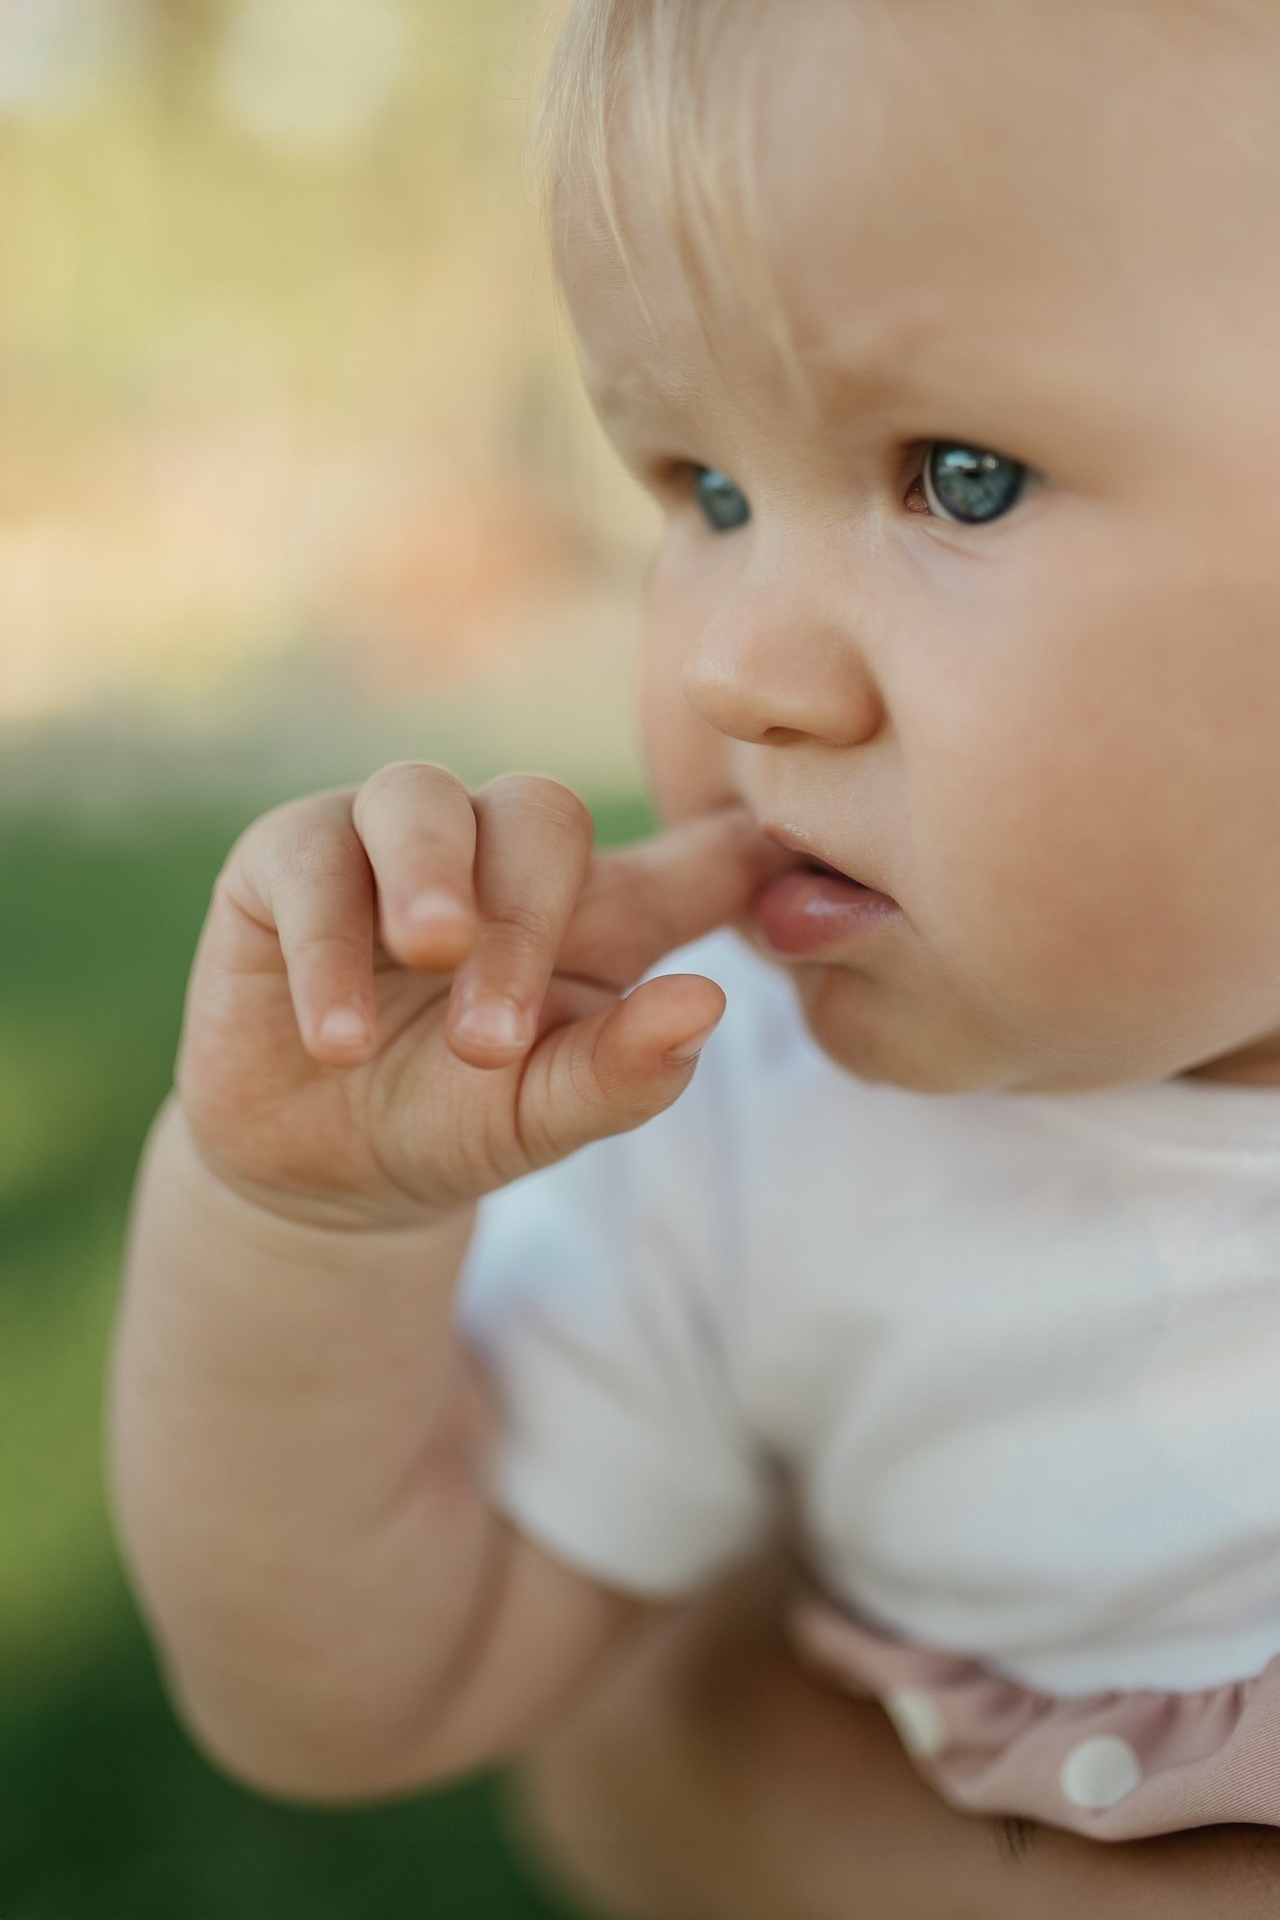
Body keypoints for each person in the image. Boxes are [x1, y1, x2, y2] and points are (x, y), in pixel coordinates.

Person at [107, 0, 1280, 1909]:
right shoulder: (744, 1131)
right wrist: (303, 1225)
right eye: (702, 495)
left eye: (957, 474)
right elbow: (358, 1689)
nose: (734, 664)